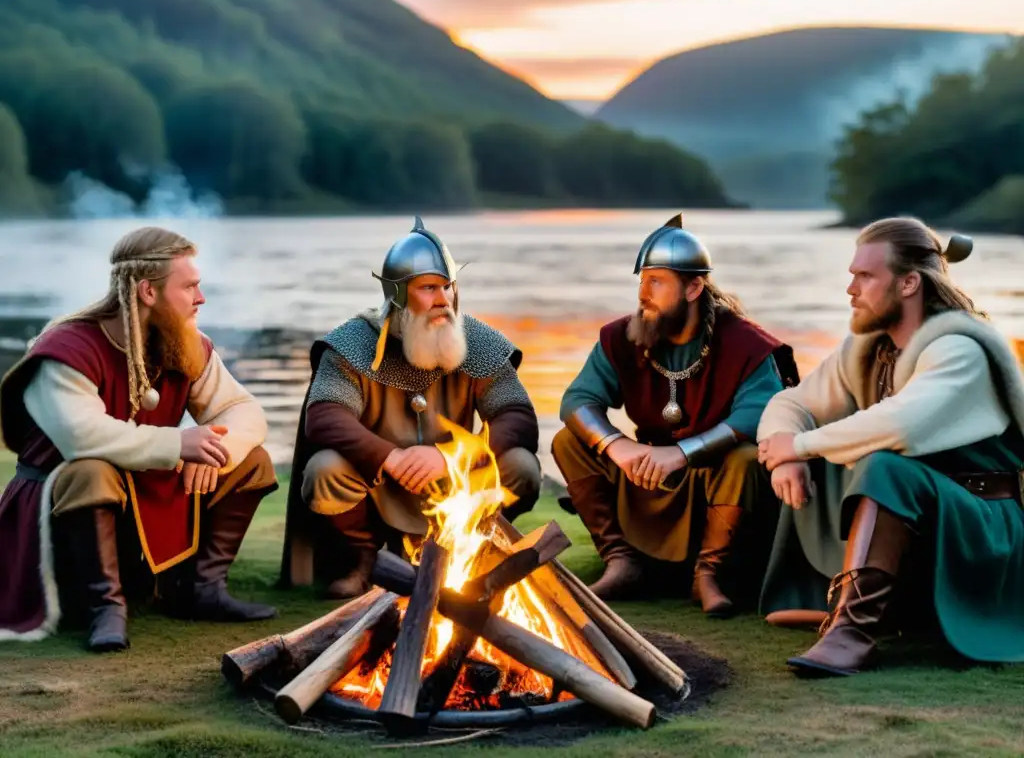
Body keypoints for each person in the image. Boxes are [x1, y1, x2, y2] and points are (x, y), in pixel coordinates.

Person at [757, 216, 1024, 676]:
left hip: (979, 526)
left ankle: (852, 631)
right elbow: (792, 401)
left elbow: (901, 426)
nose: (851, 290)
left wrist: (799, 446)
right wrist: (785, 457)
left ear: (909, 284)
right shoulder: (868, 349)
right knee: (825, 459)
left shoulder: (960, 350)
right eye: (852, 275)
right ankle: (853, 607)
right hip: (923, 520)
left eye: (865, 276)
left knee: (883, 464)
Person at [0, 226, 278, 652]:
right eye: (189, 287)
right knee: (91, 470)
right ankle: (104, 608)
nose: (200, 298)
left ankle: (202, 589)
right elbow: (81, 437)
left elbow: (244, 411)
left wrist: (210, 452)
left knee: (250, 458)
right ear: (148, 291)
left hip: (139, 495)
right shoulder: (65, 350)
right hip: (59, 517)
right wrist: (178, 445)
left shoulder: (183, 344)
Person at [279, 217, 541, 598]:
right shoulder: (354, 343)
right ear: (398, 294)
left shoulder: (477, 341)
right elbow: (323, 417)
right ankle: (365, 562)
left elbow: (518, 417)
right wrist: (391, 458)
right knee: (324, 472)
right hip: (381, 484)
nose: (443, 299)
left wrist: (450, 457)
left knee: (521, 466)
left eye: (448, 286)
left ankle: (468, 551)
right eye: (429, 288)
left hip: (456, 480)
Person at [552, 214, 799, 613]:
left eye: (656, 281)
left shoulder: (744, 343)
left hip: (712, 481)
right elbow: (577, 400)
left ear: (694, 287)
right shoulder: (623, 336)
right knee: (569, 441)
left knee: (747, 458)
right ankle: (622, 561)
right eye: (641, 281)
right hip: (646, 476)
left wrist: (681, 454)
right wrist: (618, 447)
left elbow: (762, 414)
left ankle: (709, 574)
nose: (643, 293)